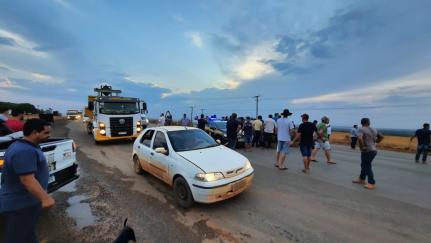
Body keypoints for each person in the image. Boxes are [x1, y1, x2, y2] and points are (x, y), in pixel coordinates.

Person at [0, 119, 56, 242]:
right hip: (20, 206)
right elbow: (27, 179)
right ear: (35, 132)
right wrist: (45, 198)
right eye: (46, 133)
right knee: (18, 238)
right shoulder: (24, 151)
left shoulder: (26, 146)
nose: (49, 135)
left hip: (25, 203)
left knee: (27, 236)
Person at [352, 118, 384, 189]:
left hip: (367, 150)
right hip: (373, 150)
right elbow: (381, 137)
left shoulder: (361, 129)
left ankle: (371, 183)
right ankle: (361, 179)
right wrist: (375, 143)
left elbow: (360, 138)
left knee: (366, 166)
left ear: (361, 123)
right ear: (368, 122)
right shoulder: (374, 129)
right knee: (364, 164)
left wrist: (362, 147)